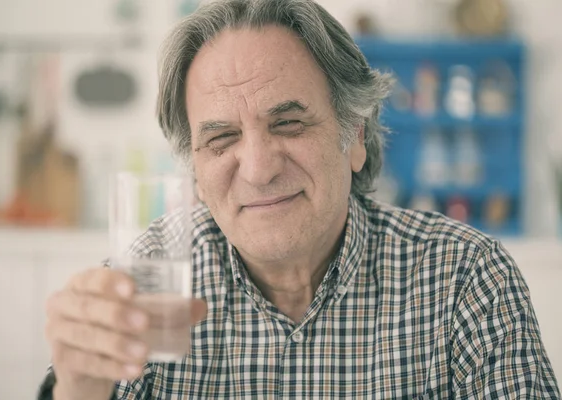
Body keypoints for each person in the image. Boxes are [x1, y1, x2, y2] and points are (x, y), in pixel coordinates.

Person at [38, 0, 561, 398]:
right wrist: (79, 390)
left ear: (355, 136)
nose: (260, 168)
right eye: (220, 139)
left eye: (288, 123)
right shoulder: (142, 283)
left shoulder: (466, 277)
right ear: (195, 168)